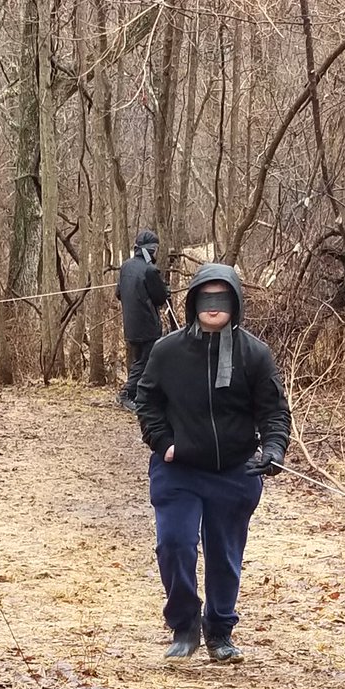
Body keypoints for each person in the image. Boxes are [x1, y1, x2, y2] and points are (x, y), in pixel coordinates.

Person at [136, 262, 290, 663]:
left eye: (223, 297)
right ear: (193, 302)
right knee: (175, 544)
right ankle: (184, 624)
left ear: (236, 303)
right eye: (206, 296)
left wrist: (273, 451)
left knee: (225, 554)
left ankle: (219, 629)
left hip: (236, 472)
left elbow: (274, 412)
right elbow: (147, 401)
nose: (214, 305)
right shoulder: (166, 351)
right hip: (178, 470)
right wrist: (163, 441)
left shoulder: (256, 354)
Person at [115, 229, 170, 412]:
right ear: (152, 249)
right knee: (144, 361)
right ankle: (127, 394)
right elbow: (160, 298)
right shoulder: (150, 270)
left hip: (130, 325)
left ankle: (142, 395)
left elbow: (118, 294)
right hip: (147, 325)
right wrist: (165, 290)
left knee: (140, 359)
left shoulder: (126, 267)